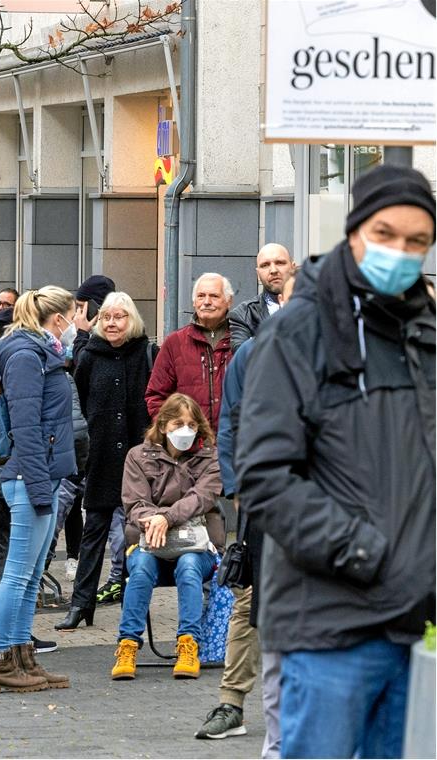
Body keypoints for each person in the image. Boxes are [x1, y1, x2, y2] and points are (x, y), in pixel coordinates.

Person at [238, 165, 435, 759]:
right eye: (385, 233)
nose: (400, 252)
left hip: (415, 625)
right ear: (353, 231)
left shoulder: (423, 334)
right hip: (330, 625)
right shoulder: (299, 332)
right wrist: (364, 552)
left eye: (417, 241)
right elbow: (265, 478)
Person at [194, 271, 297, 751]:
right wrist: (237, 488)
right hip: (262, 502)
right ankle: (232, 702)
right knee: (250, 599)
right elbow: (229, 422)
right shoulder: (253, 354)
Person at [0, 287, 76, 693]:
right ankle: (1, 660)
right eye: (74, 315)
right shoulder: (24, 355)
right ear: (57, 319)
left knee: (30, 576)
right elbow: (27, 428)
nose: (77, 324)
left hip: (42, 476)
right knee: (18, 576)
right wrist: (39, 486)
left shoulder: (37, 353)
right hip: (30, 477)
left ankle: (21, 658)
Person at [57, 292, 154, 630]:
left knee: (137, 532)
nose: (113, 323)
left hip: (137, 457)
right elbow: (80, 403)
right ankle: (81, 604)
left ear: (132, 320)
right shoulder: (89, 357)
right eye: (107, 317)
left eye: (120, 317)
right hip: (99, 455)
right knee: (93, 531)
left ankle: (134, 601)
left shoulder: (145, 352)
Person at [111, 392, 223, 681]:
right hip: (149, 541)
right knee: (142, 568)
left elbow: (202, 497)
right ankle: (127, 645)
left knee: (188, 565)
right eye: (177, 424)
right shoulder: (137, 456)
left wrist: (166, 517)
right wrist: (154, 521)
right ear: (162, 426)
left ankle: (188, 644)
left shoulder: (210, 457)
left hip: (198, 546)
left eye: (191, 424)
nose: (184, 430)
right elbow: (135, 503)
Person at [145, 273, 233, 432]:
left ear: (229, 301)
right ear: (194, 302)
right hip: (189, 449)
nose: (207, 302)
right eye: (201, 296)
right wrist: (175, 432)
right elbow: (156, 396)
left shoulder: (241, 341)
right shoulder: (175, 343)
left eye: (214, 296)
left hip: (236, 446)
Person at [228, 244, 293, 352]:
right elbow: (243, 355)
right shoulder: (243, 314)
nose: (273, 270)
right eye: (265, 265)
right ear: (258, 274)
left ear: (293, 267)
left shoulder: (317, 306)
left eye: (280, 263)